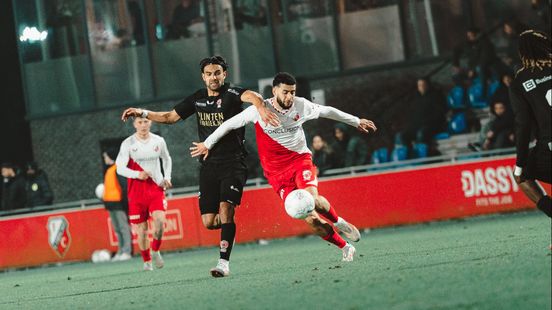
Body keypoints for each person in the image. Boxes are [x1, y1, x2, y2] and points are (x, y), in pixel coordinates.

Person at [190, 72, 378, 262]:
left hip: (299, 160)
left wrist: (356, 121)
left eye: (292, 92)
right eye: (285, 92)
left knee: (311, 199)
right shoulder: (259, 110)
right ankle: (345, 246)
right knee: (310, 218)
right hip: (276, 173)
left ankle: (339, 222)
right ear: (274, 91)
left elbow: (327, 111)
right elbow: (228, 125)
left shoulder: (301, 105)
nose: (289, 97)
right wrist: (207, 143)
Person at [120, 56, 279, 277]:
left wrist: (261, 107)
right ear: (203, 77)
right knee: (210, 222)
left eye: (217, 73)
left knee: (226, 210)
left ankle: (223, 263)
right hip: (208, 166)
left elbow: (253, 96)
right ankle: (227, 228)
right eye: (209, 74)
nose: (213, 77)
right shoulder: (197, 98)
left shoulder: (232, 94)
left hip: (233, 163)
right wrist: (142, 112)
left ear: (225, 74)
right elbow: (169, 117)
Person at [115, 116, 173, 271]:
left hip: (155, 188)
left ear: (150, 122)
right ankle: (147, 261)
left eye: (145, 121)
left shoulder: (158, 141)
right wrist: (136, 174)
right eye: (139, 122)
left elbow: (167, 159)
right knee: (142, 230)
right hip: (136, 192)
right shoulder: (128, 143)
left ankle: (155, 250)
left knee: (160, 222)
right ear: (134, 124)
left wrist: (167, 177)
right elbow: (119, 167)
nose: (143, 125)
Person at [509, 29, 551, 219]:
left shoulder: (520, 80)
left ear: (522, 53)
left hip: (549, 147)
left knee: (523, 175)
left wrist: (520, 163)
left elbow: (523, 124)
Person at [452, 27, 508, 97]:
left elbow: (484, 59)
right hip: (471, 67)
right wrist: (456, 65)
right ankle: (465, 94)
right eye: (468, 36)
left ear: (478, 35)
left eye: (472, 36)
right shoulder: (467, 44)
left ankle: (483, 93)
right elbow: (456, 50)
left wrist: (473, 69)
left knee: (481, 70)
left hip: (484, 67)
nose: (470, 38)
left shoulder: (485, 43)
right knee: (455, 75)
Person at [402, 77, 448, 157]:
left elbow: (439, 113)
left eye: (423, 85)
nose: (421, 87)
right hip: (418, 125)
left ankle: (425, 155)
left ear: (428, 85)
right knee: (403, 135)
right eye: (419, 85)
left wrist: (428, 122)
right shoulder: (416, 99)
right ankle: (410, 154)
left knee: (422, 134)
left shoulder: (436, 96)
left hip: (432, 125)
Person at [102, 149, 132, 262]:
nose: (105, 159)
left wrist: (125, 203)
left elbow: (124, 187)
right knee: (117, 229)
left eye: (106, 156)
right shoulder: (109, 170)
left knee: (123, 228)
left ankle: (127, 251)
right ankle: (121, 251)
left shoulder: (118, 169)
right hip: (111, 204)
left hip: (118, 203)